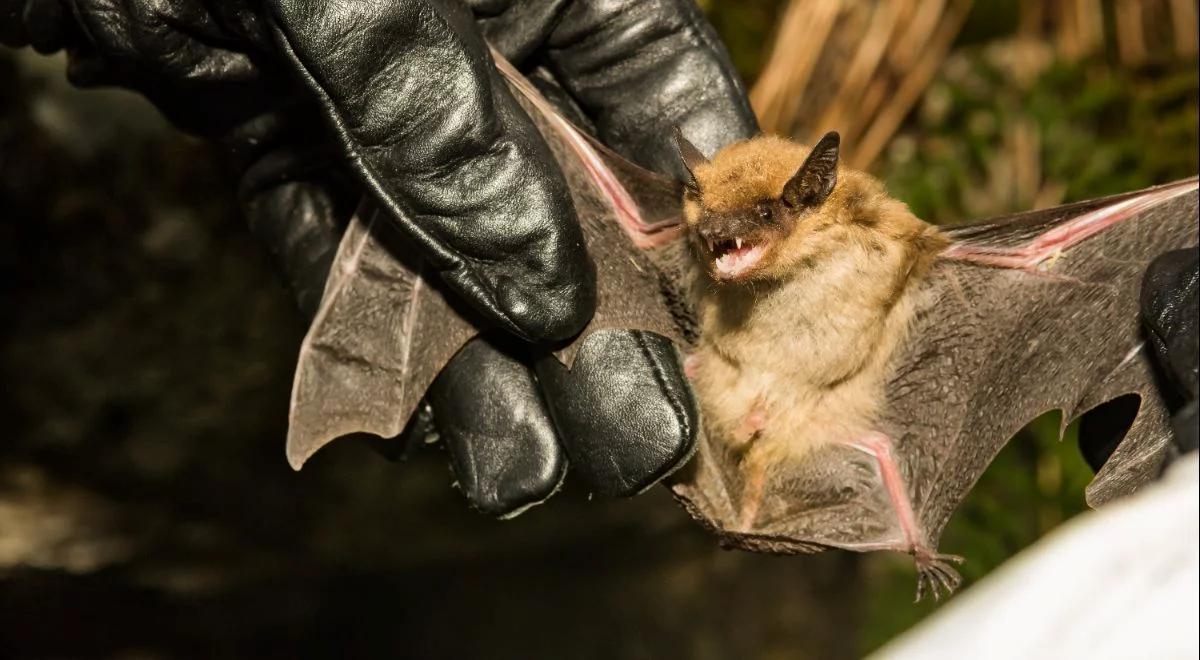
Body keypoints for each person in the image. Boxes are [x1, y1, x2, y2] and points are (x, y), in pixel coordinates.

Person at [2, 0, 1194, 520]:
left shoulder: (900, 258)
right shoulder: (692, 236)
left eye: (752, 234)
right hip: (745, 399)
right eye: (713, 232)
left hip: (856, 381)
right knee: (528, 196)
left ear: (816, 201)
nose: (726, 252)